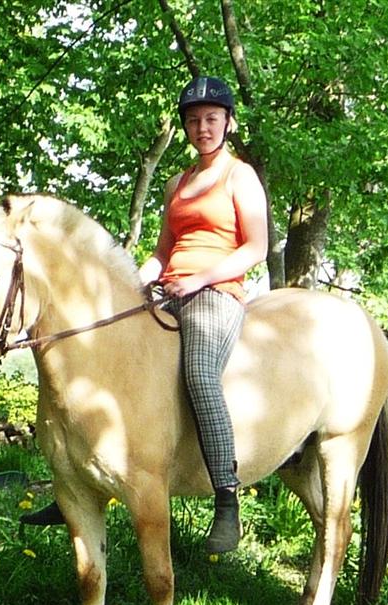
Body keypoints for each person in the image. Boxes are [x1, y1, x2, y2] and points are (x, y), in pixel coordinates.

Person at [23, 75, 269, 554]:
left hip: (216, 294)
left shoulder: (240, 176)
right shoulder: (178, 183)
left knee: (199, 373)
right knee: (94, 358)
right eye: (194, 121)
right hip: (170, 290)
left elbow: (256, 247)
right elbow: (163, 249)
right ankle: (76, 481)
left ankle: (226, 498)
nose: (203, 128)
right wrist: (134, 283)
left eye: (212, 119)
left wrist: (199, 279)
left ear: (227, 123)